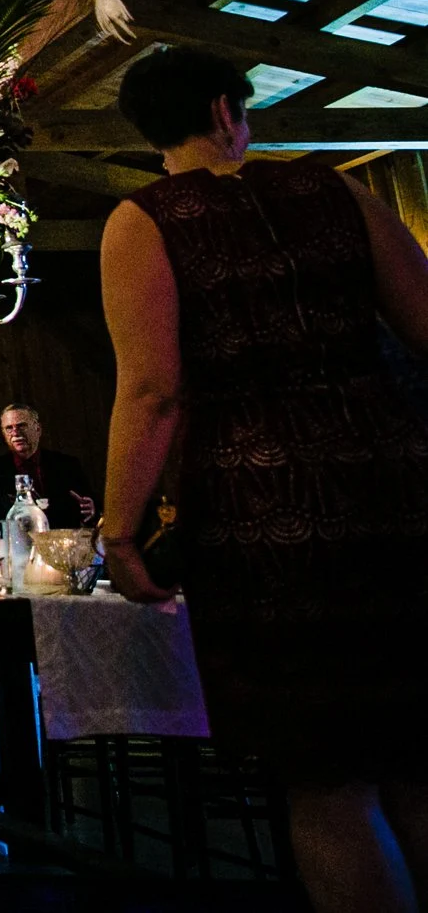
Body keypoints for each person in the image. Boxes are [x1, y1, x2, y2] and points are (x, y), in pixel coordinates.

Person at [100, 45, 428, 913]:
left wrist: (121, 529)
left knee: (326, 778)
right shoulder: (339, 191)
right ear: (224, 110)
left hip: (266, 508)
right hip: (397, 486)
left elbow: (154, 389)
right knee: (416, 752)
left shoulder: (144, 221)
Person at [0, 403, 98, 529]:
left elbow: (91, 505)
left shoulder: (67, 465)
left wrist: (92, 509)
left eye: (21, 426)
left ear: (38, 429)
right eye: (9, 428)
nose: (15, 433)